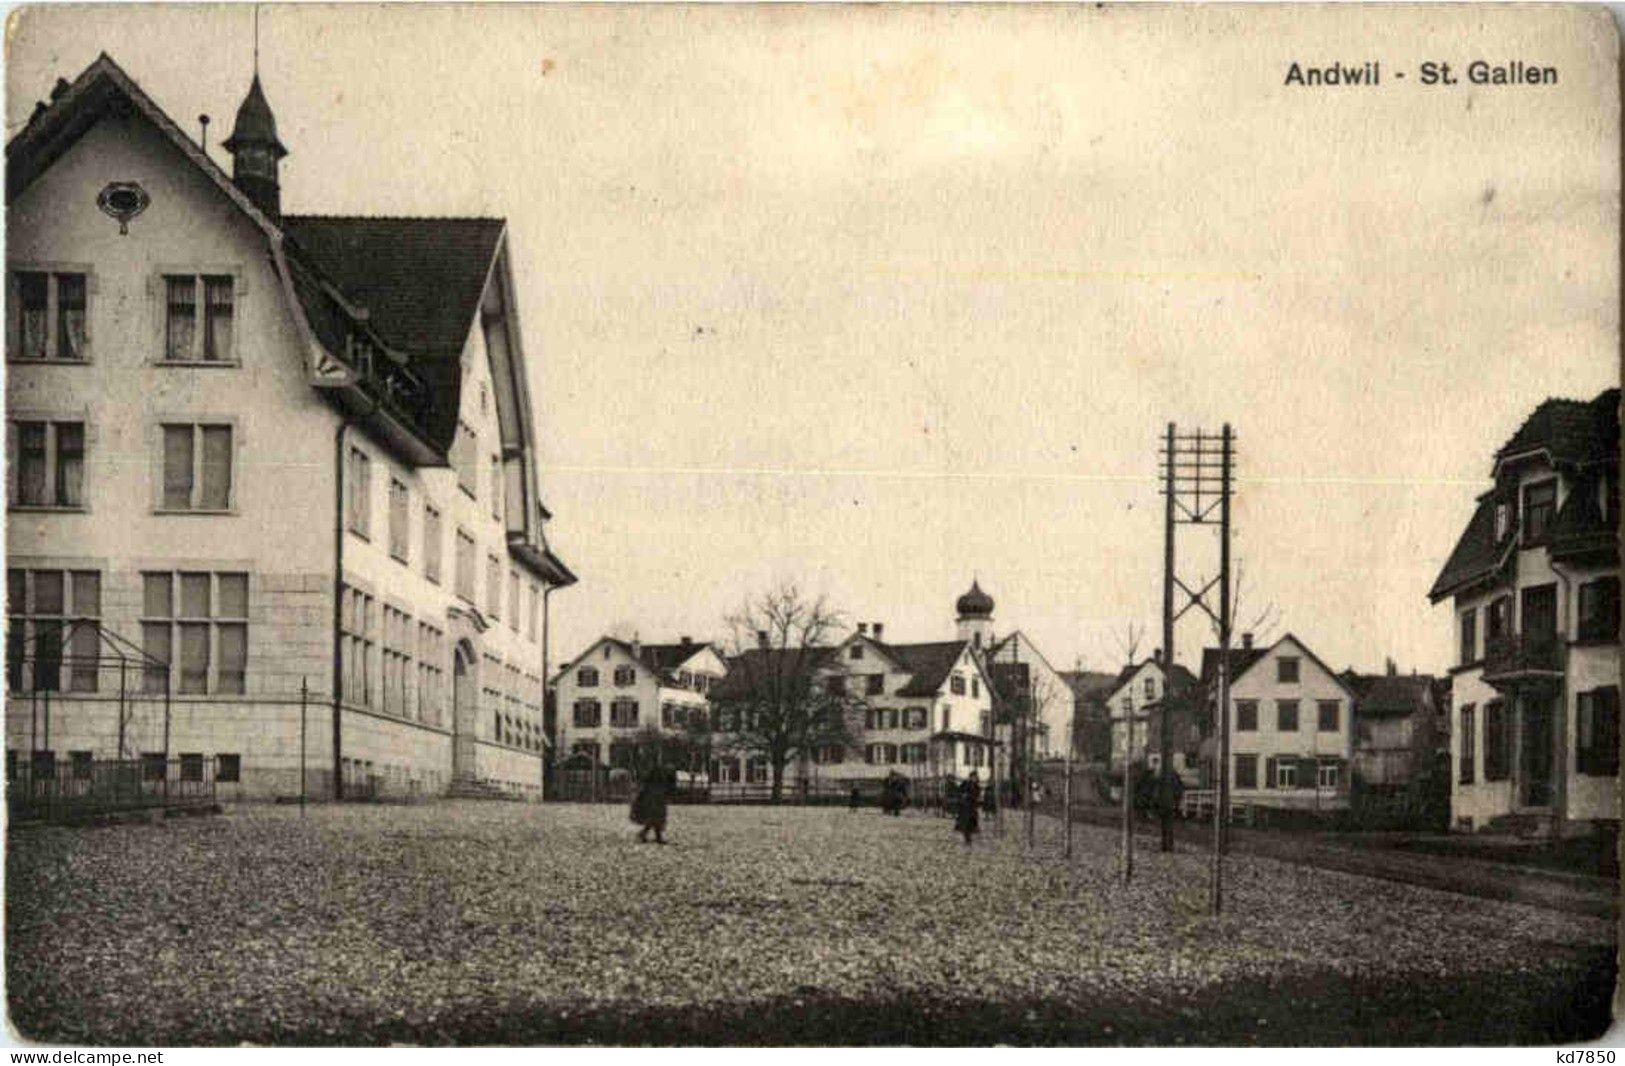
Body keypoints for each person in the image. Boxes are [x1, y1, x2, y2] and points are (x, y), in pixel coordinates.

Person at [630, 761, 676, 844]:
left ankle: (648, 834)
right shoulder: (654, 772)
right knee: (656, 817)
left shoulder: (656, 773)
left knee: (656, 817)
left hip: (656, 795)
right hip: (654, 796)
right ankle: (649, 835)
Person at [956, 770, 981, 845]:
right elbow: (959, 791)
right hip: (965, 806)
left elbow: (977, 795)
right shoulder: (965, 783)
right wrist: (963, 795)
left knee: (971, 822)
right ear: (970, 777)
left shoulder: (976, 786)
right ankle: (967, 839)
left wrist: (971, 796)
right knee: (966, 823)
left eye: (975, 777)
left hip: (972, 806)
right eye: (973, 777)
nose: (975, 778)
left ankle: (969, 837)